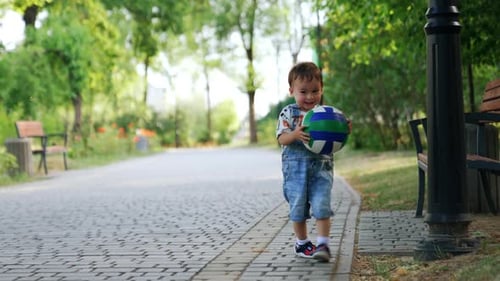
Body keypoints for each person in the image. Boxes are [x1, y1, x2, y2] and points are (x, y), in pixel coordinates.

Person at [276, 61, 346, 262]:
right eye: (303, 91)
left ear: (321, 89)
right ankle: (302, 243)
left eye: (315, 91)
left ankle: (323, 244)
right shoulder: (288, 113)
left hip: (321, 169)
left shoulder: (328, 113)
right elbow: (281, 138)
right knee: (298, 210)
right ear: (292, 91)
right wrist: (295, 134)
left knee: (322, 205)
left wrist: (343, 129)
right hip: (295, 171)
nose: (309, 96)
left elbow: (338, 138)